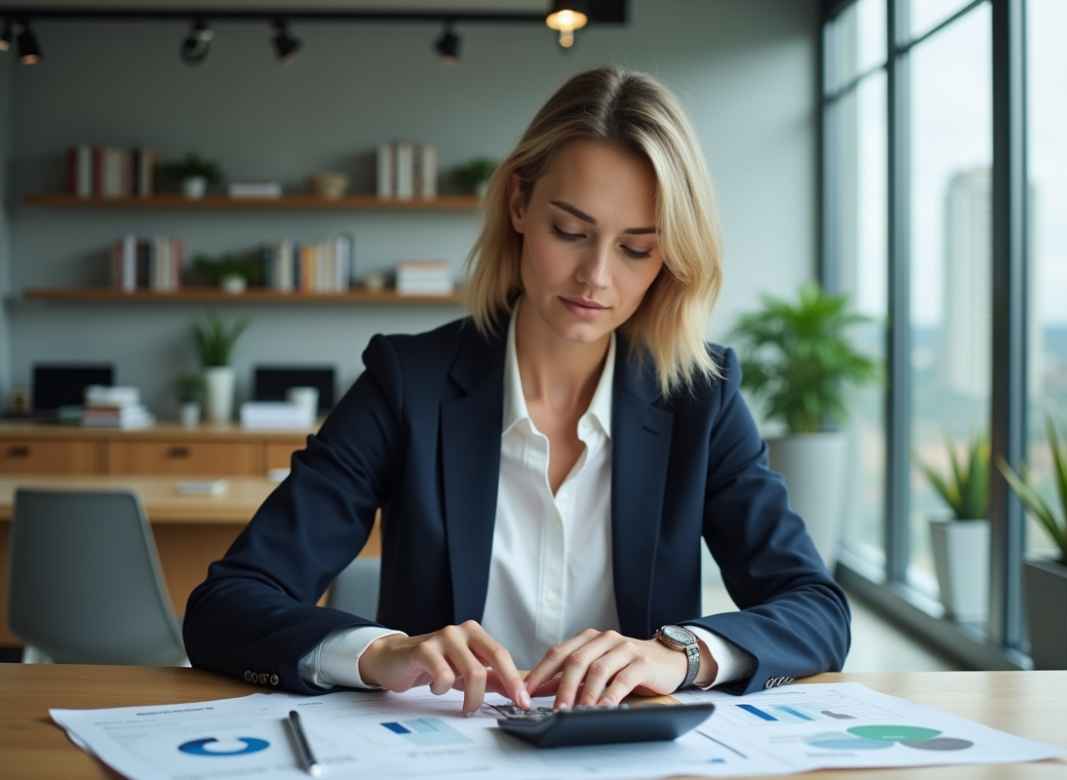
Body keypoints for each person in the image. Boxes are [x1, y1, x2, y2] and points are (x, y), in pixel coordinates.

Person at [184, 65, 850, 716]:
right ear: (519, 205)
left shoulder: (700, 396)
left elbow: (815, 609)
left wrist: (680, 655)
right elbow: (228, 603)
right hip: (439, 762)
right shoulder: (406, 383)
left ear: (670, 258)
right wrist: (377, 652)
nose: (595, 276)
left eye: (636, 249)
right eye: (570, 231)